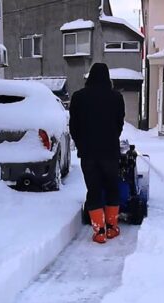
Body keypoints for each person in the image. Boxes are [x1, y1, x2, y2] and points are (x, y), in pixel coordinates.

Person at [69, 63, 125, 244]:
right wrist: (111, 138)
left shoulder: (78, 97)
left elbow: (74, 126)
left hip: (88, 153)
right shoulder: (116, 97)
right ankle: (112, 227)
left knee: (93, 189)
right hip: (109, 151)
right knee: (111, 187)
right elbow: (119, 124)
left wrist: (81, 144)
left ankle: (99, 231)